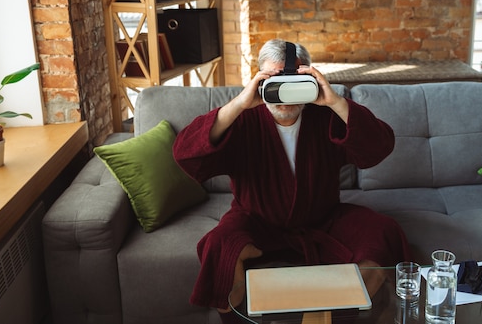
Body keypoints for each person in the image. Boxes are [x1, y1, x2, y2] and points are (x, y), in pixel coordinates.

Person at [173, 39, 410, 323]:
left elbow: (380, 146)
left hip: (323, 219)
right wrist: (239, 103)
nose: (285, 96)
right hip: (256, 220)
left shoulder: (324, 115)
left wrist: (334, 100)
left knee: (383, 232)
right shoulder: (243, 118)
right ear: (259, 81)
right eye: (275, 82)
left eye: (295, 83)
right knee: (219, 246)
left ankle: (339, 315)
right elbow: (184, 154)